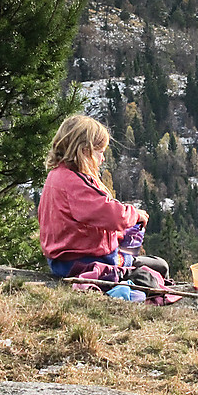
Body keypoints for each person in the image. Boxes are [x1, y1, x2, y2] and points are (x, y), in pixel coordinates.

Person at [38, 114, 164, 278]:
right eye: (100, 152)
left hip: (61, 260)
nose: (103, 158)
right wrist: (134, 215)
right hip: (83, 263)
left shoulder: (55, 177)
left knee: (143, 261)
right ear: (84, 151)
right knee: (159, 267)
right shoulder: (75, 183)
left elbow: (87, 221)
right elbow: (113, 216)